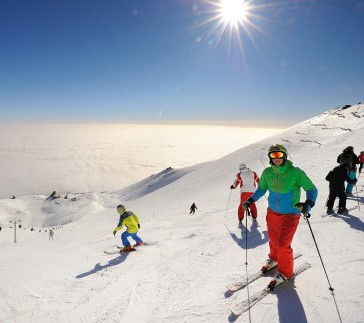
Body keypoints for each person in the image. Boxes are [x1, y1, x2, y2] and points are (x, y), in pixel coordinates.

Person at [243, 144, 318, 288]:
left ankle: (285, 272)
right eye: (273, 155)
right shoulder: (267, 172)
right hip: (272, 212)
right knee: (273, 239)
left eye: (279, 155)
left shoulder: (296, 172)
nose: (276, 158)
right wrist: (251, 199)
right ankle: (274, 259)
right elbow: (262, 189)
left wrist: (307, 205)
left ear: (284, 156)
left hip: (290, 214)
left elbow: (312, 189)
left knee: (283, 244)